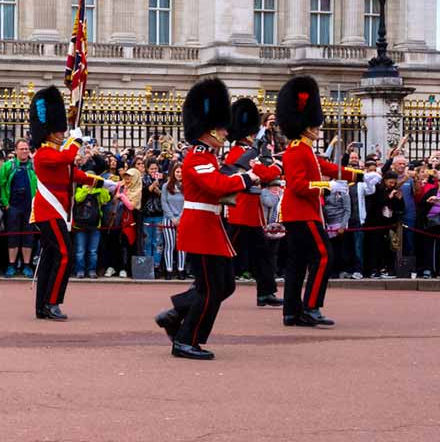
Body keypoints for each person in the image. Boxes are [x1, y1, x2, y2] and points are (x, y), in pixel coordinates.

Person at [154, 78, 260, 360]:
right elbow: (216, 186)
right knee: (211, 288)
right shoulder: (198, 156)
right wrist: (248, 177)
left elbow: (217, 192)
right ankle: (186, 340)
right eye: (223, 128)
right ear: (210, 129)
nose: (227, 133)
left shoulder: (209, 156)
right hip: (200, 228)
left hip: (211, 227)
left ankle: (176, 314)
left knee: (224, 285)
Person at [277, 75, 364, 328]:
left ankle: (292, 312)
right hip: (302, 213)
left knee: (298, 262)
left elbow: (328, 167)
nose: (318, 128)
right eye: (315, 124)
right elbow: (298, 185)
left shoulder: (304, 149)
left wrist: (360, 175)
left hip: (302, 214)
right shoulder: (295, 150)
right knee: (324, 255)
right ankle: (311, 306)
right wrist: (326, 186)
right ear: (305, 125)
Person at [29, 85, 98, 321]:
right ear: (48, 132)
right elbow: (67, 158)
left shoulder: (55, 152)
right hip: (49, 211)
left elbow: (73, 173)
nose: (62, 133)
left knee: (51, 257)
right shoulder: (43, 153)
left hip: (56, 211)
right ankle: (52, 302)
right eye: (59, 131)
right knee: (64, 254)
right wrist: (76, 141)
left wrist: (100, 183)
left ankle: (42, 306)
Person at [224, 97, 282, 306]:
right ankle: (207, 283)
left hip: (252, 211)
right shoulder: (236, 154)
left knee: (262, 252)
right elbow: (265, 173)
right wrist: (275, 168)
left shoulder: (249, 152)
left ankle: (265, 292)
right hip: (240, 209)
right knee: (227, 251)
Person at [0, 139, 36, 277]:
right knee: (12, 237)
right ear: (16, 150)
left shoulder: (34, 166)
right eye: (22, 149)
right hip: (13, 207)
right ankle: (12, 265)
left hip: (29, 207)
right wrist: (6, 204)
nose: (24, 151)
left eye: (26, 149)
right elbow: (1, 185)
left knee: (29, 237)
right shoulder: (8, 166)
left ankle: (27, 266)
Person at [160, 162, 186, 279]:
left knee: (182, 245)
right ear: (173, 172)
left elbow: (187, 202)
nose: (179, 174)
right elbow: (164, 203)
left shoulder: (187, 186)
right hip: (168, 219)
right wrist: (172, 218)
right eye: (177, 171)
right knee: (169, 245)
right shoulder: (166, 186)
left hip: (183, 219)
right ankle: (169, 270)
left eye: (181, 171)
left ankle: (181, 269)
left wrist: (180, 217)